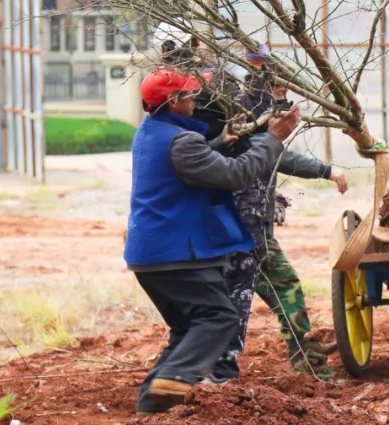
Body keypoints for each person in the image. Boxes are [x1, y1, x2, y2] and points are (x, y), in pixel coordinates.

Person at [125, 67, 301, 415]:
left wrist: (220, 144)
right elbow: (235, 175)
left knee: (187, 328)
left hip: (148, 255)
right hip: (177, 253)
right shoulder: (183, 141)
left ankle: (151, 405)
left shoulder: (150, 132)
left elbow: (189, 163)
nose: (195, 100)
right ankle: (175, 379)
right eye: (190, 95)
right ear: (174, 102)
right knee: (219, 317)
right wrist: (274, 139)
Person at [193, 45, 350, 382]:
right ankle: (213, 368)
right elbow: (271, 152)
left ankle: (301, 356)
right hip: (242, 227)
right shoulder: (246, 110)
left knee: (275, 288)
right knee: (254, 293)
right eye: (278, 81)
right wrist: (326, 170)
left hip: (245, 222)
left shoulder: (257, 105)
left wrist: (273, 194)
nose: (284, 88)